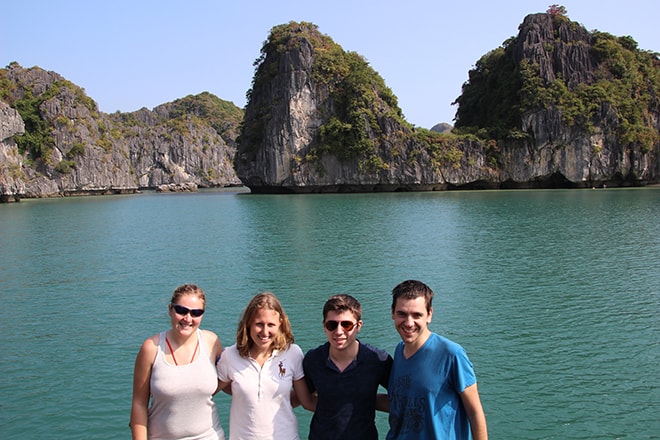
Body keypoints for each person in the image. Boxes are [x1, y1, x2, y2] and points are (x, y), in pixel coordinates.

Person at [387, 280, 488, 440]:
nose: (409, 322)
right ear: (392, 313)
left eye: (417, 315)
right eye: (402, 314)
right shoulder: (399, 351)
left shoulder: (452, 354)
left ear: (429, 315)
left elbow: (475, 413)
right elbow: (404, 402)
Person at [130, 284, 225, 440]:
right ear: (170, 310)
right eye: (181, 310)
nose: (188, 319)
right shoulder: (151, 348)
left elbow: (227, 380)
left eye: (196, 313)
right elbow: (139, 404)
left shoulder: (211, 341)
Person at [216, 291, 315, 440]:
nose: (265, 331)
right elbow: (206, 391)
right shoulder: (230, 356)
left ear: (280, 323)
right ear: (248, 323)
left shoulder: (293, 353)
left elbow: (304, 400)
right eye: (259, 324)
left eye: (271, 325)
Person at [302, 294, 393, 440]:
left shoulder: (378, 360)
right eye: (332, 325)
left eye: (346, 325)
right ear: (324, 326)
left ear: (359, 326)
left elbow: (400, 398)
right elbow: (307, 398)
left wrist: (365, 401)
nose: (339, 331)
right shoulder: (313, 360)